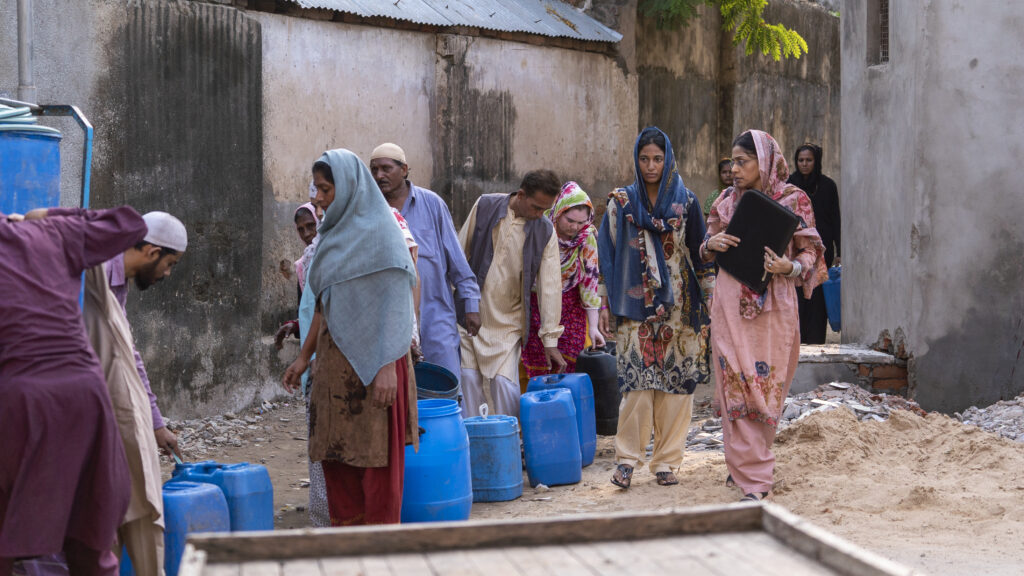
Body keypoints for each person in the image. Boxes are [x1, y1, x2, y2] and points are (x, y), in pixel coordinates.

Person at [1, 206, 147, 576]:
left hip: (18, 398)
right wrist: (49, 214)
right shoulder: (51, 232)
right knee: (89, 531)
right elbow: (131, 223)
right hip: (85, 396)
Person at [281, 149, 418, 526]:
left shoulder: (383, 234)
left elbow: (396, 305)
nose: (318, 198)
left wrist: (389, 366)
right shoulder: (329, 237)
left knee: (376, 466)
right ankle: (347, 551)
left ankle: (378, 556)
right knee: (337, 458)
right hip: (334, 370)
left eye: (326, 190)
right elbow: (324, 307)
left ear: (350, 187)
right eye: (317, 189)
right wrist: (303, 357)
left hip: (379, 368)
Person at [701, 130, 827, 502]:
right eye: (732, 162)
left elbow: (811, 253)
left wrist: (789, 267)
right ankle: (753, 479)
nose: (734, 169)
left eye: (743, 162)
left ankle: (749, 462)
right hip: (728, 302)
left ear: (765, 162)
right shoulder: (724, 201)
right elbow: (704, 248)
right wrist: (711, 244)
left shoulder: (794, 199)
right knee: (733, 382)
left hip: (774, 307)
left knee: (764, 387)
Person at [597, 127, 714, 489]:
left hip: (681, 308)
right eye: (645, 158)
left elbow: (701, 253)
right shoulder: (620, 204)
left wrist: (710, 299)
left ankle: (666, 462)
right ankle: (627, 461)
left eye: (658, 159)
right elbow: (607, 256)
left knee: (677, 388)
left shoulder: (688, 203)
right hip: (634, 308)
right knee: (636, 385)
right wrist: (603, 302)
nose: (651, 166)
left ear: (668, 161)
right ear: (636, 159)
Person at [94, 211, 187, 575]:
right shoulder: (95, 273)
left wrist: (156, 423)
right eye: (170, 264)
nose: (167, 274)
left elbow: (128, 351)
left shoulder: (120, 281)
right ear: (151, 251)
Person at [457, 170, 566, 418]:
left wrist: (550, 340)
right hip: (469, 313)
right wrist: (463, 301)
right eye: (536, 207)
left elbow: (550, 286)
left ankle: (510, 446)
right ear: (520, 195)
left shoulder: (545, 231)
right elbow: (459, 253)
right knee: (468, 381)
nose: (540, 214)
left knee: (506, 386)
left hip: (507, 322)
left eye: (545, 210)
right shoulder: (485, 205)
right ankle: (473, 447)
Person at [369, 143, 481, 377]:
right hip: (390, 324)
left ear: (405, 169)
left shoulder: (432, 204)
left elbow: (456, 259)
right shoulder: (370, 210)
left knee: (446, 388)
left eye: (386, 168)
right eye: (374, 169)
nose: (379, 176)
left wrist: (471, 305)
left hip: (436, 318)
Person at [522, 181, 605, 377]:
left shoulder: (586, 238)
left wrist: (593, 326)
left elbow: (590, 283)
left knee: (570, 360)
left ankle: (568, 404)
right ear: (558, 212)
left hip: (570, 307)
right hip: (537, 305)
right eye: (570, 220)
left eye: (581, 222)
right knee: (537, 361)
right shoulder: (539, 230)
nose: (575, 227)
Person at [787, 143, 841, 344]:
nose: (804, 164)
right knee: (798, 294)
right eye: (801, 160)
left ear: (816, 161)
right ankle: (796, 341)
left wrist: (839, 249)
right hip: (796, 250)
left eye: (809, 160)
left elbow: (835, 218)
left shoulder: (828, 186)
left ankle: (816, 339)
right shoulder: (790, 185)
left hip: (822, 251)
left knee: (818, 297)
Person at [274, 200, 320, 350]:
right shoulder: (302, 267)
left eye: (311, 226)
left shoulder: (334, 257)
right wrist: (294, 325)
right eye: (301, 229)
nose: (306, 234)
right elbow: (307, 312)